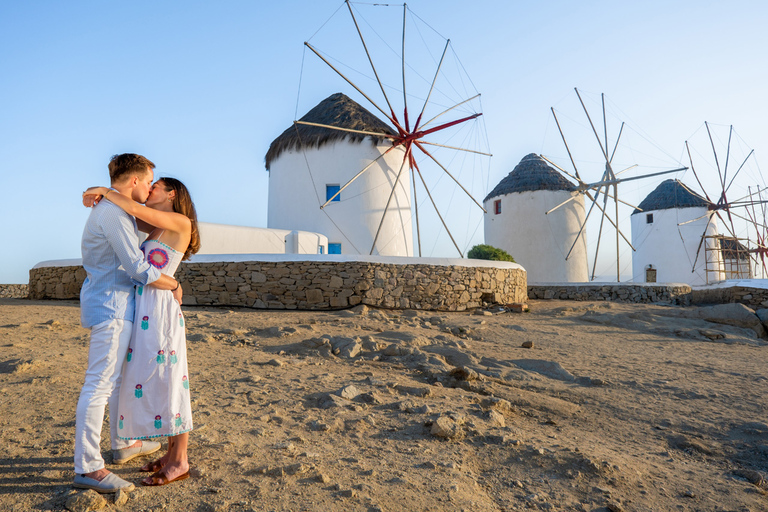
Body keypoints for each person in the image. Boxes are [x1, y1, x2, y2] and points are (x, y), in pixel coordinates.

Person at [75, 154, 183, 494]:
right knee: (100, 385)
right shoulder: (113, 214)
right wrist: (174, 284)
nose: (151, 187)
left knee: (116, 380)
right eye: (149, 181)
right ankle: (89, 468)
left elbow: (150, 229)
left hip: (117, 305)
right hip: (112, 307)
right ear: (134, 181)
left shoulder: (117, 211)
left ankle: (124, 443)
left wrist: (103, 191)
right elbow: (138, 268)